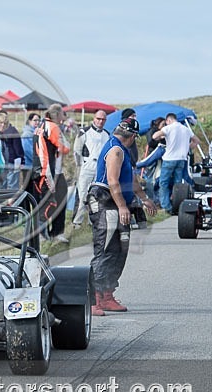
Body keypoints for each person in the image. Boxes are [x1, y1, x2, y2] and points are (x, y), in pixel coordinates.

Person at [87, 117, 157, 314]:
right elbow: (113, 181)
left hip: (116, 203)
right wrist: (122, 207)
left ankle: (107, 294)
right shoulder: (116, 150)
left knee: (119, 249)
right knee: (106, 249)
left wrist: (144, 198)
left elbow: (131, 179)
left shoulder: (122, 150)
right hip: (105, 201)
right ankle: (93, 299)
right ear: (133, 136)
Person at [34, 104, 71, 243]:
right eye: (62, 114)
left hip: (46, 170)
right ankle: (44, 234)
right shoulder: (52, 127)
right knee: (52, 203)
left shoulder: (41, 126)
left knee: (54, 200)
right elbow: (66, 148)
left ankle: (52, 233)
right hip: (48, 171)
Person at [152, 112, 199, 212]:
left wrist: (161, 136)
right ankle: (178, 206)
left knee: (163, 183)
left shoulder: (169, 128)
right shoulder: (185, 129)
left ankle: (167, 207)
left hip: (169, 159)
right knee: (177, 184)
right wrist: (187, 147)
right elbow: (196, 141)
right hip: (182, 159)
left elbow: (154, 136)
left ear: (168, 120)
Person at [71, 110, 109, 227]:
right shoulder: (84, 131)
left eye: (103, 119)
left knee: (96, 196)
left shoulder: (107, 134)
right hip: (86, 166)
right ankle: (77, 221)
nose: (100, 121)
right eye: (98, 119)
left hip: (100, 168)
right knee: (82, 194)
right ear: (94, 118)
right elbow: (76, 151)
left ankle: (92, 220)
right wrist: (80, 166)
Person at [136, 116, 166, 203]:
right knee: (150, 178)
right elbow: (151, 143)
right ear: (158, 124)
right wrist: (160, 139)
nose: (164, 126)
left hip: (159, 158)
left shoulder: (162, 132)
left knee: (157, 178)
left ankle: (157, 200)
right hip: (153, 155)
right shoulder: (152, 131)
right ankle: (151, 199)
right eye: (163, 124)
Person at [0, 111, 24, 191]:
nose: (2, 125)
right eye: (1, 123)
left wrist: (21, 160)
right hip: (1, 163)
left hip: (12, 162)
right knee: (3, 186)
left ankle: (11, 202)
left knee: (11, 186)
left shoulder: (12, 131)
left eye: (4, 123)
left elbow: (18, 148)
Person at [20, 113, 40, 199]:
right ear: (29, 121)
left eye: (38, 120)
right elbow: (28, 151)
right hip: (28, 167)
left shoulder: (36, 133)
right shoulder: (27, 134)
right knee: (28, 192)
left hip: (34, 166)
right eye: (35, 120)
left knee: (34, 192)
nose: (37, 122)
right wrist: (39, 161)